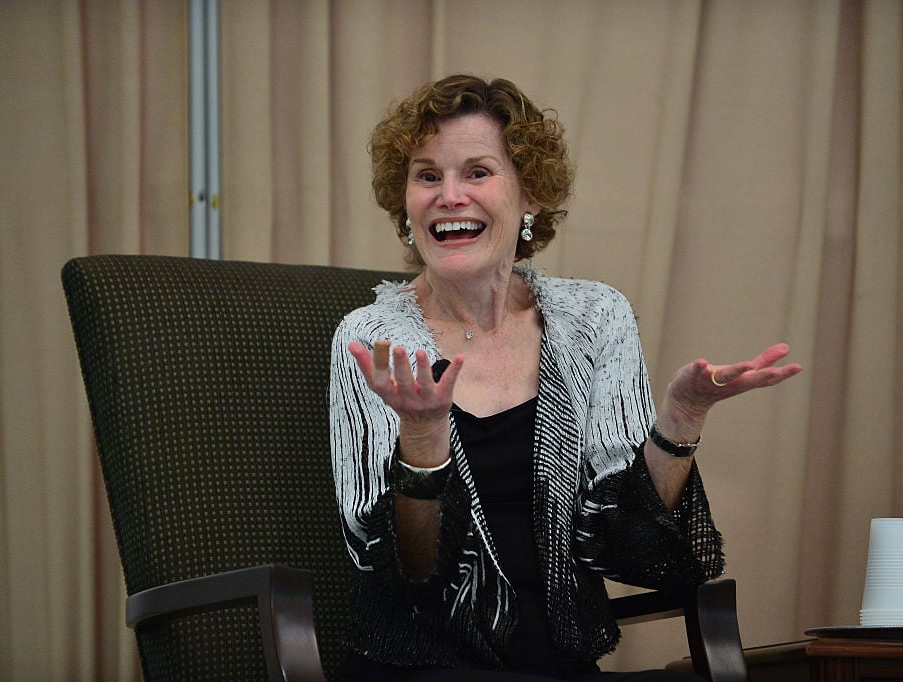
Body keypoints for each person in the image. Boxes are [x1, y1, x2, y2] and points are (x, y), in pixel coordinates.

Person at [329, 74, 801, 681]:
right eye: (427, 176)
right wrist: (421, 440)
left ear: (529, 195)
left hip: (559, 664)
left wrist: (680, 423)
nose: (449, 195)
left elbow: (630, 546)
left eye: (477, 172)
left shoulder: (595, 319)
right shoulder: (372, 338)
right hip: (421, 664)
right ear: (406, 202)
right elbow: (405, 571)